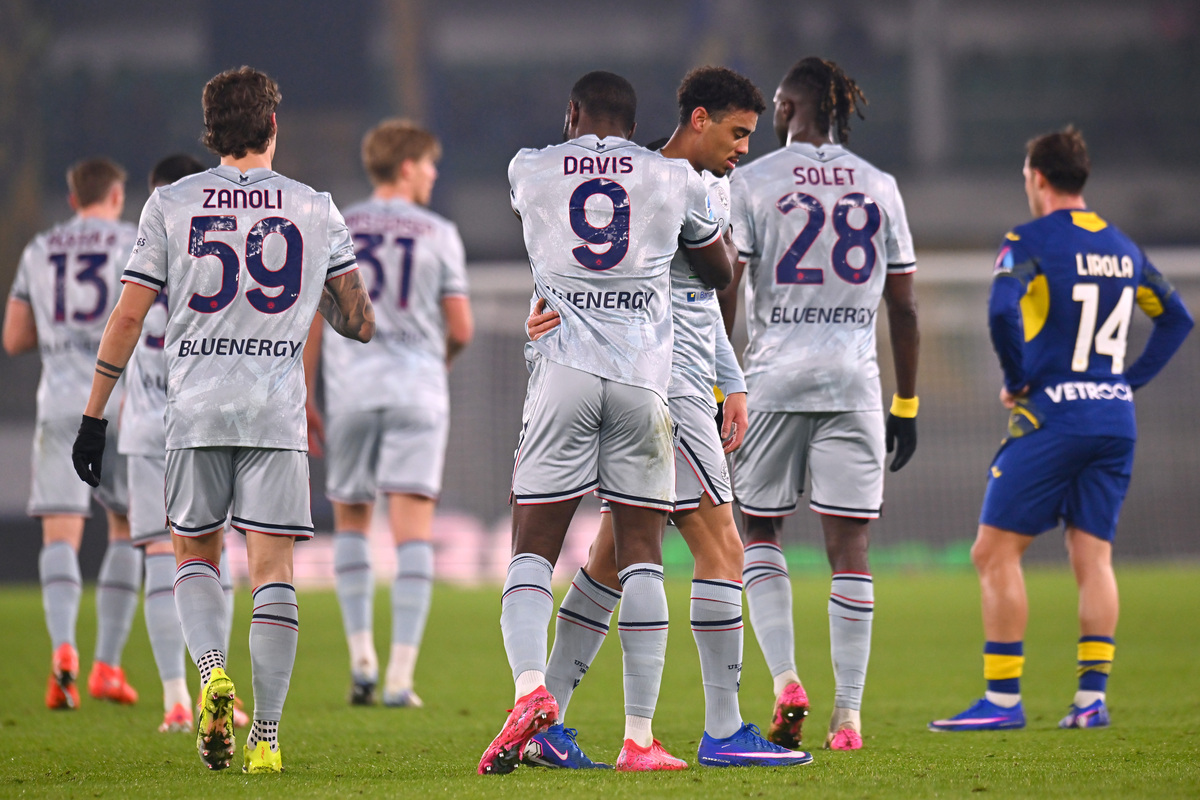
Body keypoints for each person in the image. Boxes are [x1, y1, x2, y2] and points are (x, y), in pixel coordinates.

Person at [70, 66, 375, 774]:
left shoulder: (169, 206)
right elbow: (359, 322)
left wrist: (94, 417)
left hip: (197, 409)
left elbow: (127, 317)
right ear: (273, 127)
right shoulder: (315, 206)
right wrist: (319, 296)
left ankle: (210, 674)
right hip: (274, 413)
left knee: (194, 555)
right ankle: (265, 738)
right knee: (273, 571)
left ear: (211, 132)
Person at [523, 66, 811, 770]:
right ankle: (722, 728)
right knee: (722, 548)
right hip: (664, 391)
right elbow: (696, 291)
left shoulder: (664, 182)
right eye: (739, 134)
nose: (744, 149)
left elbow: (697, 305)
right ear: (701, 118)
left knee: (609, 561)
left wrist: (734, 382)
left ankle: (545, 724)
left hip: (659, 385)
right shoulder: (665, 185)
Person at [479, 70, 732, 775]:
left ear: (572, 114)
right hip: (642, 383)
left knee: (533, 547)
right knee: (643, 551)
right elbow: (717, 269)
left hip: (561, 371)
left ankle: (533, 696)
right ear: (632, 119)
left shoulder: (529, 168)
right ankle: (640, 738)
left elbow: (553, 237)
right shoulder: (670, 175)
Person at [929, 127, 1192, 732]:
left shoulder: (1030, 241)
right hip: (1112, 418)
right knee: (1092, 555)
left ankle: (1001, 701)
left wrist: (1019, 376)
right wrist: (1128, 381)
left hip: (1055, 413)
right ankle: (1090, 700)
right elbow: (1176, 319)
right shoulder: (1123, 248)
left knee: (993, 551)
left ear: (1038, 178)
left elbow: (999, 309)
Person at [725, 57, 920, 751]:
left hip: (775, 377)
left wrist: (724, 380)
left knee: (760, 529)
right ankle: (849, 718)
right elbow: (905, 305)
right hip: (854, 382)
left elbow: (729, 282)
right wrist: (908, 402)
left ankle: (784, 679)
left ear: (784, 108)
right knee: (851, 548)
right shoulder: (881, 185)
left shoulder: (752, 181)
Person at [308, 119, 473, 708]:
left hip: (351, 392)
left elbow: (314, 322)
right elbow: (461, 328)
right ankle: (402, 676)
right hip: (418, 391)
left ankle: (361, 661)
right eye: (428, 164)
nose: (433, 174)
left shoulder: (338, 225)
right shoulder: (440, 233)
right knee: (412, 534)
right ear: (406, 167)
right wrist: (437, 364)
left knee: (351, 521)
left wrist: (307, 395)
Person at [3, 157, 142, 711]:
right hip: (118, 404)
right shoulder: (132, 240)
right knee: (127, 528)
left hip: (59, 404)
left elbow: (13, 337)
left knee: (59, 536)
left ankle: (64, 654)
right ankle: (108, 664)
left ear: (71, 198)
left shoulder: (39, 250)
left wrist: (60, 336)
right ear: (114, 196)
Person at [120, 153, 249, 734]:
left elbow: (119, 330)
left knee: (161, 557)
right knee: (208, 556)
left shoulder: (138, 254)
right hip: (202, 422)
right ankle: (208, 685)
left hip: (146, 429)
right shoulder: (223, 252)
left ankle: (178, 695)